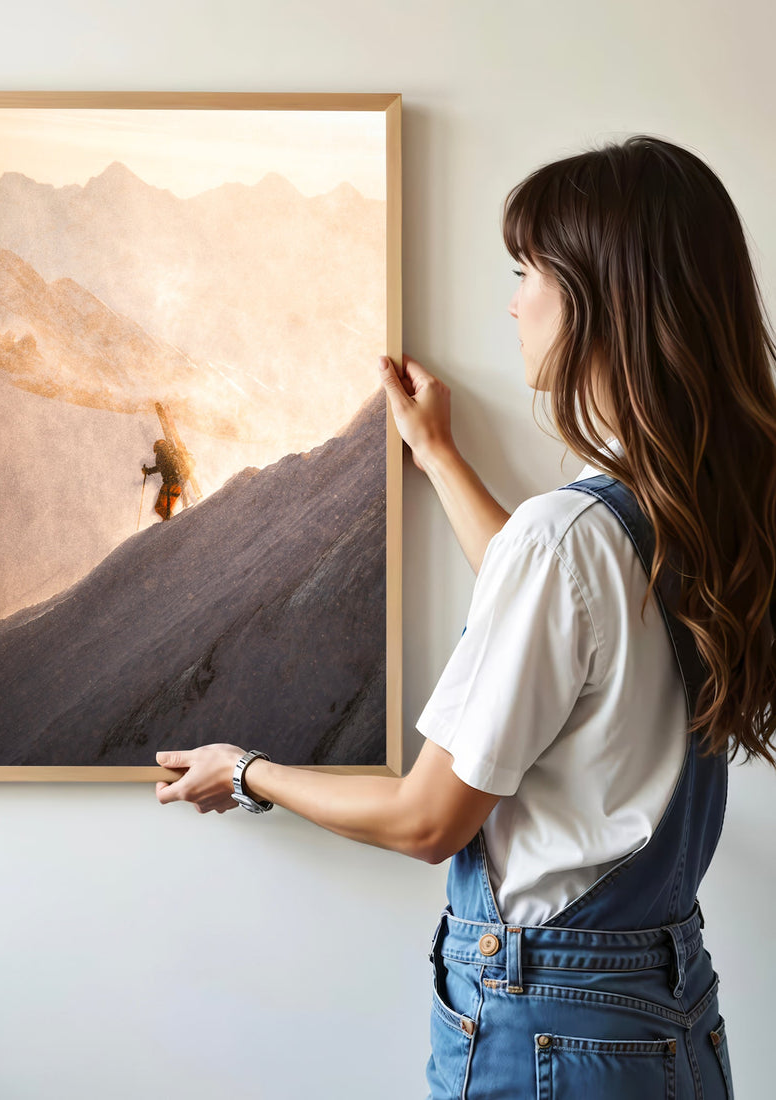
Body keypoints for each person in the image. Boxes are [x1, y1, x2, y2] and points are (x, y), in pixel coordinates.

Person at [152, 135, 776, 1097]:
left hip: (548, 1031)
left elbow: (426, 819)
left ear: (600, 301)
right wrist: (440, 456)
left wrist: (246, 772)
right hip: (666, 1016)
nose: (514, 299)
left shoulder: (569, 536)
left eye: (528, 272)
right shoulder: (696, 509)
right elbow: (565, 623)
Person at [142, 438, 187, 521]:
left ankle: (169, 523)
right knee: (166, 509)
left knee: (159, 507)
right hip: (178, 484)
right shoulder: (170, 453)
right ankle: (170, 522)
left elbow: (160, 467)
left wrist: (148, 471)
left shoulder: (161, 453)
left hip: (169, 484)